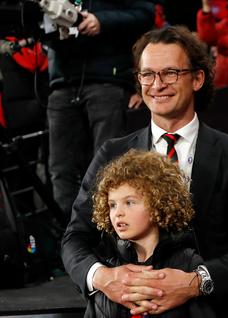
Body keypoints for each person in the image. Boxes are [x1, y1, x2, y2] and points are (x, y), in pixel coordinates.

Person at [61, 25, 228, 318]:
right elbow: (75, 238)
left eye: (170, 72)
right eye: (147, 74)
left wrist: (193, 283)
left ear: (198, 78)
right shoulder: (111, 154)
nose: (157, 85)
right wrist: (104, 278)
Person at [80, 150, 217, 318]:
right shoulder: (107, 265)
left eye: (130, 202)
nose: (118, 213)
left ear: (158, 204)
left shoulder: (187, 264)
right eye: (112, 204)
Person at [46, 0, 155, 219]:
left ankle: (109, 235)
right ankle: (69, 238)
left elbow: (146, 13)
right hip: (62, 81)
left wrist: (102, 21)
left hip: (107, 80)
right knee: (60, 169)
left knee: (109, 165)